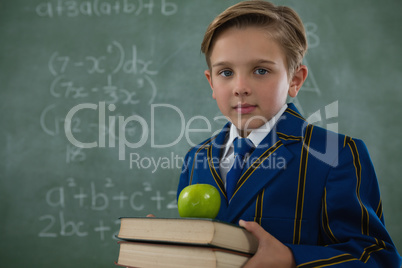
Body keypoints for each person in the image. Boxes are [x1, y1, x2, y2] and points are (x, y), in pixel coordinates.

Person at [176, 0, 402, 267]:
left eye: (261, 70)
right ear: (211, 82)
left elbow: (377, 257)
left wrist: (291, 258)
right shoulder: (195, 158)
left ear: (295, 80)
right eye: (226, 72)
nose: (240, 87)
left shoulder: (336, 154)